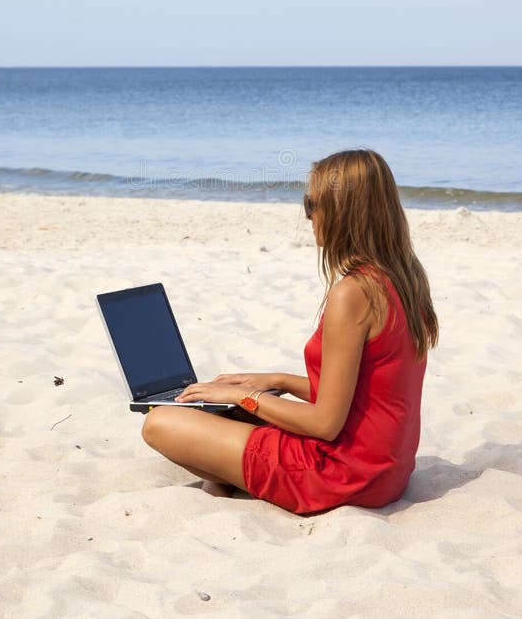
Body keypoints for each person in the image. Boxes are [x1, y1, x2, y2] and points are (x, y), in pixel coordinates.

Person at [142, 149, 439, 514]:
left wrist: (245, 396)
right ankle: (225, 478)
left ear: (342, 211)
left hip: (343, 473)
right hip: (387, 470)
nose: (308, 215)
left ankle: (225, 480)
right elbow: (366, 393)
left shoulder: (353, 293)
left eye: (312, 204)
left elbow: (326, 424)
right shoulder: (406, 277)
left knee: (159, 422)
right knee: (230, 412)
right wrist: (277, 380)